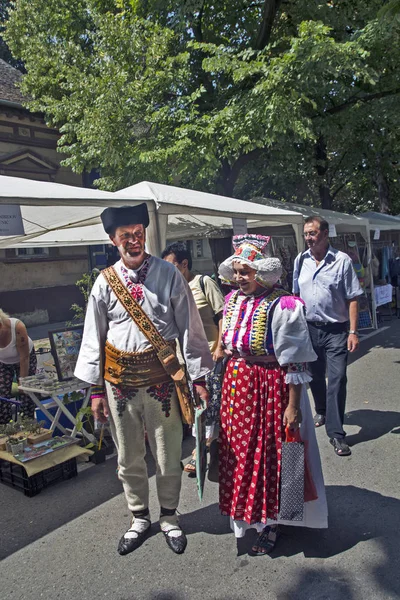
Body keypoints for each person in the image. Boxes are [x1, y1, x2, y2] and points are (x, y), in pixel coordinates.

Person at [74, 204, 213, 556]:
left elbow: (192, 330)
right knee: (129, 457)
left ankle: (169, 517)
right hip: (118, 385)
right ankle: (139, 518)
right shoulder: (104, 282)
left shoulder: (169, 274)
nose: (134, 242)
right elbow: (93, 337)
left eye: (139, 234)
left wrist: (199, 379)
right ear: (112, 240)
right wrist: (94, 391)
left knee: (167, 455)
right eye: (126, 237)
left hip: (161, 382)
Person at [218, 234, 327, 555]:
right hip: (238, 387)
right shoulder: (232, 301)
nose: (239, 278)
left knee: (276, 453)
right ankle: (250, 516)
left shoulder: (284, 304)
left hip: (272, 387)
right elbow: (225, 343)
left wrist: (294, 406)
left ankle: (277, 521)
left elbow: (294, 360)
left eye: (246, 272)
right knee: (242, 454)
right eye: (236, 272)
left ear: (262, 272)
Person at [292, 216, 363, 457]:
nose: (308, 238)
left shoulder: (341, 261)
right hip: (308, 329)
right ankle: (321, 409)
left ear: (324, 234)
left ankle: (336, 434)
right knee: (313, 374)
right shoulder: (300, 260)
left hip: (336, 330)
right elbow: (294, 295)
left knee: (337, 378)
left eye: (312, 233)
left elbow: (353, 297)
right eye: (305, 234)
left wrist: (353, 331)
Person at [161, 242, 224, 474]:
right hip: (184, 362)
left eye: (171, 266)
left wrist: (220, 346)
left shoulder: (203, 283)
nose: (167, 272)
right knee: (195, 406)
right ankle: (204, 447)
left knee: (211, 404)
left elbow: (222, 314)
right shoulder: (171, 290)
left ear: (184, 264)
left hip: (210, 357)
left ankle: (204, 451)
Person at [0, 309, 37, 424]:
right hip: (3, 362)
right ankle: (4, 428)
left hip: (25, 358)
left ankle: (28, 425)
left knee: (26, 392)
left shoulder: (17, 327)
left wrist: (22, 381)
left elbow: (24, 358)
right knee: (1, 394)